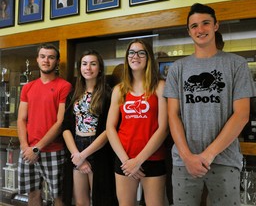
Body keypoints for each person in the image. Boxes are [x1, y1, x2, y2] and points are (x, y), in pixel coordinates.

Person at [163, 3, 256, 206]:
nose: (200, 29)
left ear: (216, 25)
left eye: (205, 23)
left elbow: (242, 115)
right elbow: (173, 115)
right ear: (189, 31)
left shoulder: (237, 64)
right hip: (183, 162)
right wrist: (188, 157)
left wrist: (208, 155)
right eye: (194, 26)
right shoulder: (177, 69)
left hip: (224, 160)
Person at [106, 39, 168, 206]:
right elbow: (110, 128)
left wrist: (138, 160)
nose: (135, 56)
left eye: (141, 52)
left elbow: (163, 128)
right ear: (127, 58)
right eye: (131, 53)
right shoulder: (119, 89)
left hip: (152, 158)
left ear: (148, 58)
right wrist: (127, 161)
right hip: (124, 158)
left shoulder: (160, 87)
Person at [17, 43, 72, 206]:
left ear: (56, 61)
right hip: (28, 150)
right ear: (37, 59)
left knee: (59, 197)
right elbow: (21, 119)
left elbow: (60, 122)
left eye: (51, 57)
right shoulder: (28, 87)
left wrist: (37, 148)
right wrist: (25, 146)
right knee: (33, 194)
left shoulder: (64, 86)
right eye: (43, 56)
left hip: (53, 151)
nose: (46, 60)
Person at [62, 49, 118, 206]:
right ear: (79, 68)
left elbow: (109, 129)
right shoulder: (73, 94)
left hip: (98, 149)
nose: (88, 68)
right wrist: (77, 155)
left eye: (93, 64)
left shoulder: (108, 94)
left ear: (99, 68)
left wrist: (84, 155)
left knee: (101, 200)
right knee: (80, 202)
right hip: (76, 148)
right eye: (84, 64)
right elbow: (65, 127)